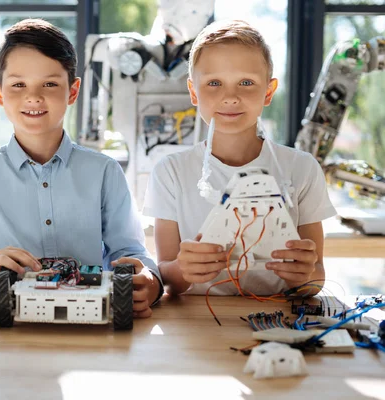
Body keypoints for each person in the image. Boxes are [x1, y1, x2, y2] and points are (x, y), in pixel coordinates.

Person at [0, 19, 163, 317]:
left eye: (50, 84)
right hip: (8, 327)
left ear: (73, 92)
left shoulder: (105, 173)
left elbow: (131, 253)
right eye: (18, 84)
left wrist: (152, 282)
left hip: (93, 324)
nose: (33, 97)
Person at [143, 20, 336, 297]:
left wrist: (304, 276)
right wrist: (183, 270)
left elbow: (315, 279)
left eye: (246, 82)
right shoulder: (170, 172)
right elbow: (167, 276)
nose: (230, 97)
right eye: (214, 83)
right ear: (193, 92)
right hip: (196, 326)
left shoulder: (302, 168)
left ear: (268, 92)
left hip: (276, 321)